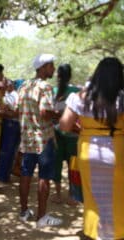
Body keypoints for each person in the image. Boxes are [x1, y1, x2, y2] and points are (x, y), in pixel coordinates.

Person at [60, 57, 124, 240]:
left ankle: (95, 232)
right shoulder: (122, 97)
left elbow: (64, 125)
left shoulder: (81, 96)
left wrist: (83, 128)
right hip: (118, 150)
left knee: (93, 195)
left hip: (89, 151)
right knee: (119, 196)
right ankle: (117, 233)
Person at [17, 53, 62, 227]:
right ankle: (41, 216)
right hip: (43, 139)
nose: (53, 69)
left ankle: (24, 212)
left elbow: (17, 110)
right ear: (42, 68)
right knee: (44, 177)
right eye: (51, 66)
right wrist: (59, 114)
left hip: (27, 139)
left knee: (26, 174)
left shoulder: (24, 86)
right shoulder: (45, 87)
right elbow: (44, 112)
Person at [51, 64, 80, 205]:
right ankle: (72, 195)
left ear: (58, 75)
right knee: (72, 164)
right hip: (73, 135)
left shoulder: (53, 91)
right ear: (70, 76)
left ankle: (57, 195)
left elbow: (50, 113)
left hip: (56, 133)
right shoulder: (76, 91)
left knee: (56, 164)